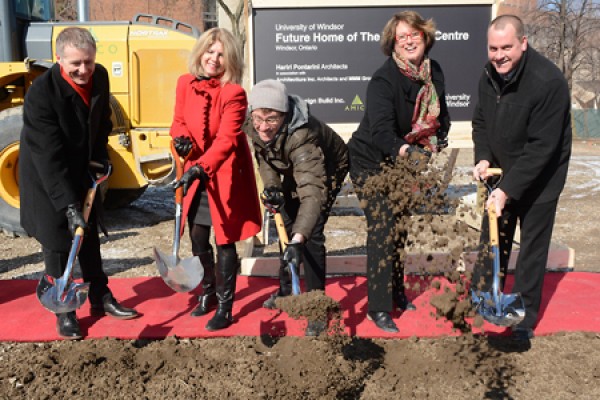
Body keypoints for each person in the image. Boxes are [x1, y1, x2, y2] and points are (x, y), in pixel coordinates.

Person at [19, 27, 139, 340]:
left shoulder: (98, 76)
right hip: (48, 176)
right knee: (60, 242)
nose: (83, 69)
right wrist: (68, 205)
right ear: (59, 59)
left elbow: (102, 122)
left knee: (89, 236)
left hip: (83, 169)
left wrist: (101, 157)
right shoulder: (42, 94)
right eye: (75, 63)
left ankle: (100, 297)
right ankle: (65, 311)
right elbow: (48, 155)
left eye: (88, 61)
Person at [347, 11, 451, 333]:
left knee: (401, 228)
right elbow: (381, 133)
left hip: (403, 162)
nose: (408, 40)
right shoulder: (383, 79)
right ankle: (378, 307)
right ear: (393, 42)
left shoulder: (435, 74)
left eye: (413, 34)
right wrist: (409, 152)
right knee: (382, 228)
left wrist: (436, 140)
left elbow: (441, 115)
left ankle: (395, 291)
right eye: (401, 36)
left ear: (425, 37)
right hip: (370, 160)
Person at [471, 15, 572, 343]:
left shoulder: (547, 81)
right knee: (493, 236)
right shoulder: (488, 75)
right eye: (493, 48)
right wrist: (484, 156)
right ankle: (485, 298)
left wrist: (509, 190)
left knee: (531, 248)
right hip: (502, 169)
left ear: (523, 44)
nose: (499, 54)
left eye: (506, 47)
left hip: (540, 177)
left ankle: (523, 320)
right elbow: (481, 122)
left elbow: (543, 148)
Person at [170, 27, 262, 331]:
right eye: (210, 51)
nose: (214, 58)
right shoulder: (185, 83)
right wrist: (182, 142)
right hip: (195, 168)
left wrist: (202, 166)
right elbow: (179, 122)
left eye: (221, 54)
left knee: (224, 240)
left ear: (230, 60)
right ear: (201, 52)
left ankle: (225, 306)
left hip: (223, 173)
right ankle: (207, 292)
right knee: (197, 236)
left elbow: (226, 140)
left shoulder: (234, 93)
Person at [243, 79, 349, 336]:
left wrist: (299, 239)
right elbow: (265, 156)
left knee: (309, 236)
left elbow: (312, 195)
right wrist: (273, 187)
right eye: (258, 118)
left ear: (285, 116)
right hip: (290, 166)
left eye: (271, 120)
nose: (263, 127)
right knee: (286, 223)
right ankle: (285, 290)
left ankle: (316, 307)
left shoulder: (303, 138)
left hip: (326, 170)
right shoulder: (253, 124)